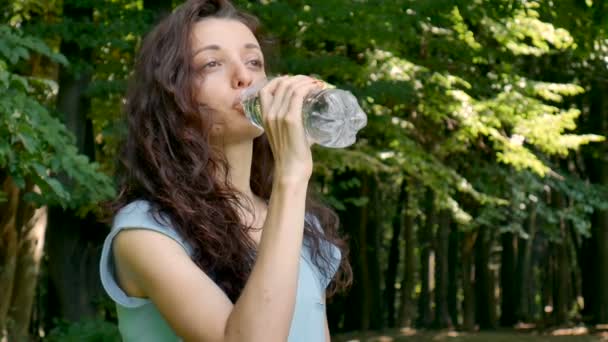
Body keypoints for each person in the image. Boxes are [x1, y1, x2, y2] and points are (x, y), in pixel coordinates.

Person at [98, 0, 352, 341]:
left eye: (254, 61)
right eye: (212, 63)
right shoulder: (145, 233)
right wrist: (291, 176)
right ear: (171, 97)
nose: (244, 77)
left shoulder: (301, 224)